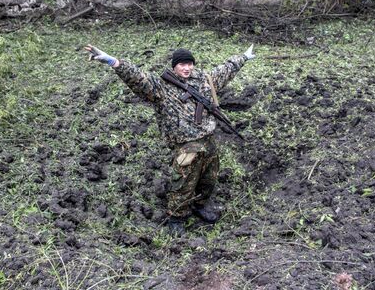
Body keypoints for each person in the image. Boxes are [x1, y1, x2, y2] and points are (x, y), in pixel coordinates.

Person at [85, 44, 255, 235]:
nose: (187, 68)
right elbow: (137, 78)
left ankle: (199, 205)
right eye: (182, 64)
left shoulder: (204, 80)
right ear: (175, 66)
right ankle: (176, 216)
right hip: (185, 144)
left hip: (208, 139)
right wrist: (114, 62)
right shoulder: (160, 87)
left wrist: (244, 57)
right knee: (183, 182)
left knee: (209, 177)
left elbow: (225, 70)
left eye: (189, 64)